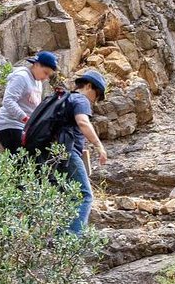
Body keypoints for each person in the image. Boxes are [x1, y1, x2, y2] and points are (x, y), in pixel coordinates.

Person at [64, 70, 108, 235]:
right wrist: (99, 146)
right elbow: (83, 122)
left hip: (49, 155)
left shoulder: (63, 98)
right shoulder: (81, 99)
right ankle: (71, 241)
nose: (95, 101)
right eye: (96, 95)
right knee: (85, 196)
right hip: (67, 153)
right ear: (89, 86)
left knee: (65, 195)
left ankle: (56, 239)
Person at [0, 51, 59, 154]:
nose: (46, 78)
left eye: (48, 75)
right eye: (45, 73)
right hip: (10, 125)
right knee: (23, 161)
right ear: (36, 65)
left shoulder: (38, 83)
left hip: (24, 128)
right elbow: (8, 101)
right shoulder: (21, 77)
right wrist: (25, 118)